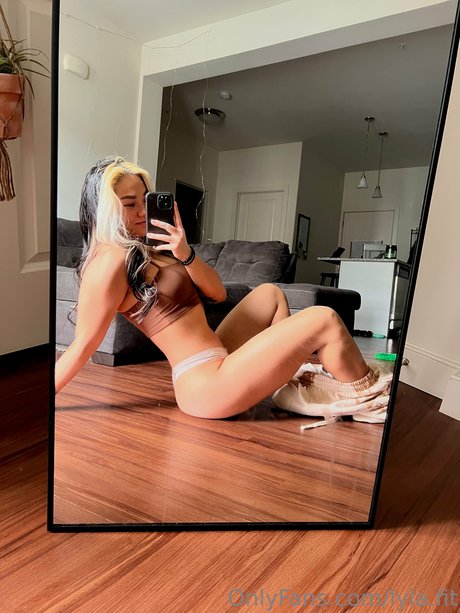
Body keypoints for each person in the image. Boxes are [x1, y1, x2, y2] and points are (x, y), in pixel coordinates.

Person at [56, 156, 377, 420]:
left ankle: (285, 383)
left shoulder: (149, 249)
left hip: (217, 357)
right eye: (129, 204)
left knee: (269, 294)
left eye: (145, 200)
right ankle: (369, 398)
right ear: (106, 211)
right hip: (205, 385)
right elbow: (82, 345)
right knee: (324, 318)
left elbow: (218, 294)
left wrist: (184, 252)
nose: (142, 211)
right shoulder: (108, 262)